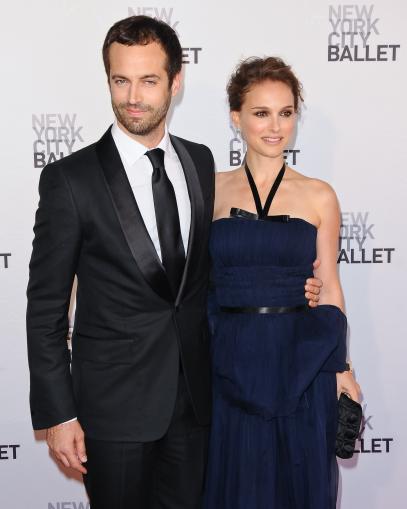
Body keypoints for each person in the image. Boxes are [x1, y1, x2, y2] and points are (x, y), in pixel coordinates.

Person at [26, 17, 322, 509]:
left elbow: (209, 275)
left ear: (175, 82)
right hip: (113, 412)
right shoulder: (69, 180)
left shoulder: (199, 163)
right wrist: (58, 416)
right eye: (121, 80)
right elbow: (46, 309)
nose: (133, 96)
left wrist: (292, 292)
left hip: (197, 406)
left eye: (149, 80)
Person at [204, 57, 361, 509]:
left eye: (286, 112)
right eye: (261, 113)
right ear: (236, 118)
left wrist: (342, 368)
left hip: (300, 363)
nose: (275, 127)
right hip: (228, 361)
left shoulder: (320, 195)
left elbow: (328, 285)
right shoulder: (209, 190)